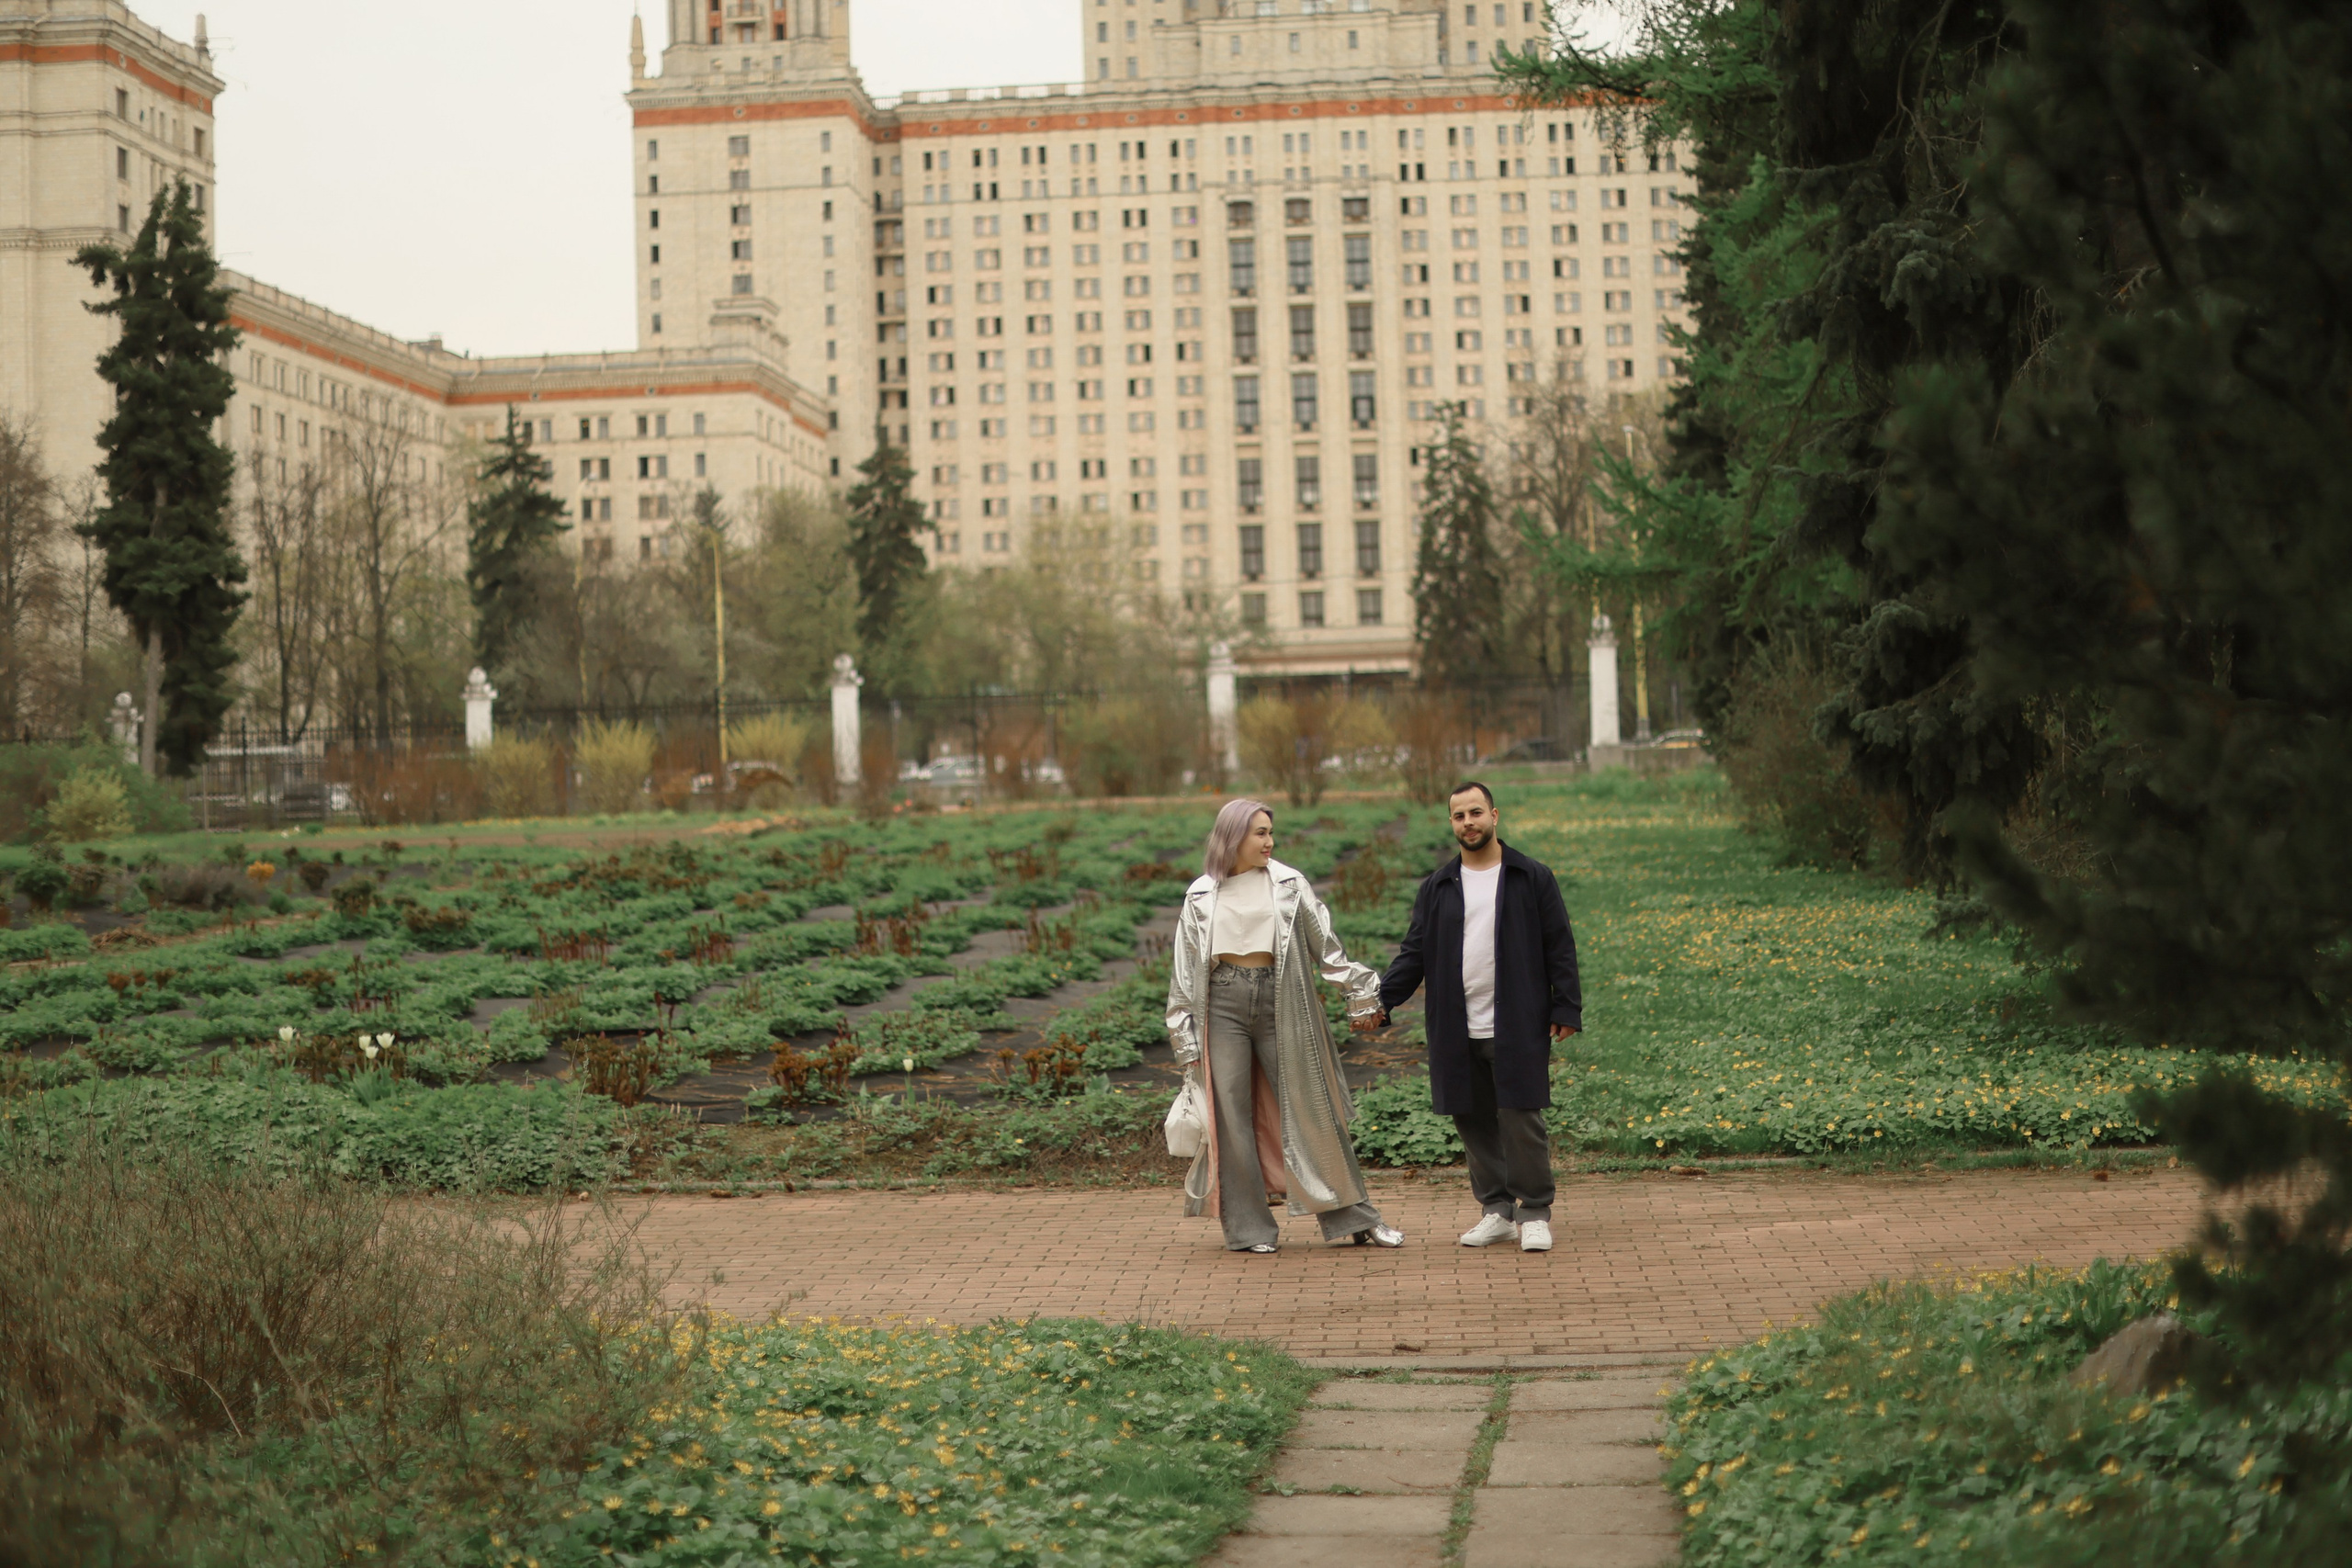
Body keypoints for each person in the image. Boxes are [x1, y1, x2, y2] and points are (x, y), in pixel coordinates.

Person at [1166, 797, 1404, 1253]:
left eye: (1271, 832)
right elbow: (1183, 976)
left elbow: (1327, 948)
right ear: (1232, 836)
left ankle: (1357, 1219)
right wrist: (1185, 1039)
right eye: (1260, 833)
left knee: (1312, 1109)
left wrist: (1362, 992)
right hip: (1222, 1006)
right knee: (1231, 1120)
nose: (1269, 841)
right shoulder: (1200, 893)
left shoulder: (1289, 884)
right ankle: (1249, 1231)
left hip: (1282, 1001)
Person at [1374, 782, 1581, 1252]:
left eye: (1475, 813)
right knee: (1472, 1119)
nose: (1468, 823)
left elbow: (1559, 946)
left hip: (1519, 1019)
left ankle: (1533, 1212)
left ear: (1494, 815)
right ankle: (1496, 1210)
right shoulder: (1438, 886)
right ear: (1452, 824)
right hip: (1455, 1023)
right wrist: (1382, 1003)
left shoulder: (1531, 877)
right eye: (1458, 816)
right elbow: (1415, 953)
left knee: (1520, 1116)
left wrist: (1566, 1005)